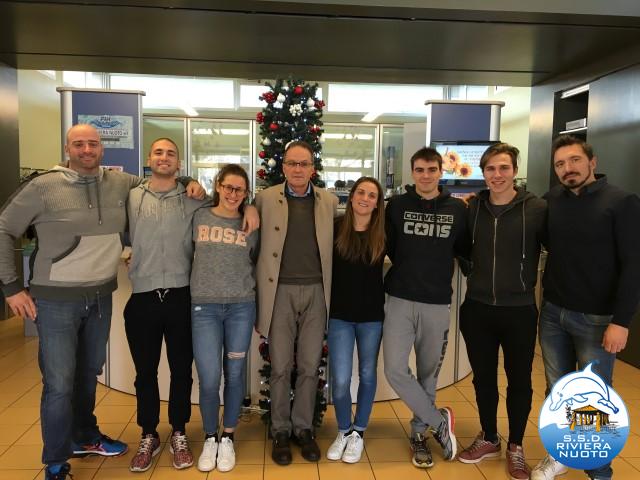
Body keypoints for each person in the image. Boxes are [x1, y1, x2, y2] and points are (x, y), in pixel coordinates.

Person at [0, 124, 204, 480]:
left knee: (90, 371)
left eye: (93, 143)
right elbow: (4, 227)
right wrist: (11, 286)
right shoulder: (46, 186)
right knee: (61, 382)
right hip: (60, 298)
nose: (86, 149)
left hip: (104, 296)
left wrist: (190, 181)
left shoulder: (121, 183)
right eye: (78, 144)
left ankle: (90, 436)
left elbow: (172, 183)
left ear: (102, 149)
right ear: (67, 148)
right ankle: (59, 461)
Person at [531, 135, 640, 480]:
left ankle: (599, 470)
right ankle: (560, 454)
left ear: (592, 162)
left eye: (575, 160)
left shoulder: (621, 202)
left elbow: (634, 265)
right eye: (560, 164)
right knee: (557, 392)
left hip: (597, 319)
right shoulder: (552, 200)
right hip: (553, 314)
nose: (568, 168)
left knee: (592, 397)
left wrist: (621, 321)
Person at [456, 143, 546, 480]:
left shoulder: (536, 208)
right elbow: (461, 248)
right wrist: (471, 271)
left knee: (519, 380)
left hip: (519, 310)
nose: (497, 175)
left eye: (504, 167)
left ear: (515, 171)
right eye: (491, 169)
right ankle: (490, 437)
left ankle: (516, 446)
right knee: (483, 379)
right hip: (478, 308)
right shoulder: (473, 208)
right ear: (483, 173)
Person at [124, 138, 209, 472]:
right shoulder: (131, 196)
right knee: (144, 373)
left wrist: (192, 182)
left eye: (170, 154)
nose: (164, 157)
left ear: (179, 163)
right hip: (143, 297)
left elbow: (227, 206)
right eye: (158, 152)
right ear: (149, 158)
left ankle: (178, 431)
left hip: (181, 296)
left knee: (181, 371)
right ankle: (149, 433)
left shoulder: (192, 198)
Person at [383, 146, 467, 468]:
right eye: (419, 170)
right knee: (394, 369)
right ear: (412, 172)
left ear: (441, 172)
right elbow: (388, 246)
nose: (426, 175)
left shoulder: (457, 210)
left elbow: (463, 250)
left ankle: (419, 434)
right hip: (400, 299)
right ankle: (438, 421)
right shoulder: (397, 206)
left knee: (428, 374)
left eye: (432, 170)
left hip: (436, 302)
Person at [255, 140, 338, 466]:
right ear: (284, 167)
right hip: (279, 292)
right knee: (279, 367)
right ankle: (280, 430)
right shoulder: (264, 199)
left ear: (313, 168)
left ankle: (303, 428)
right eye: (292, 163)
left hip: (317, 292)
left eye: (304, 164)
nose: (298, 169)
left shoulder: (329, 201)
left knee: (309, 366)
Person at [190, 164, 259, 473]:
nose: (233, 194)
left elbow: (257, 261)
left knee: (234, 374)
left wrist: (251, 207)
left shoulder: (251, 222)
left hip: (241, 308)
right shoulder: (199, 216)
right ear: (218, 186)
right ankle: (210, 436)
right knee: (208, 378)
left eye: (239, 190)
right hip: (204, 308)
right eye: (228, 187)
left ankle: (228, 436)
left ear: (246, 194)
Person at [326, 177, 386, 464]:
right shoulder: (335, 228)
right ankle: (343, 429)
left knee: (367, 375)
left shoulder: (383, 232)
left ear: (377, 203)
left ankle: (358, 432)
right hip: (340, 316)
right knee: (339, 380)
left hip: (372, 317)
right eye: (361, 192)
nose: (365, 198)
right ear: (351, 197)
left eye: (372, 195)